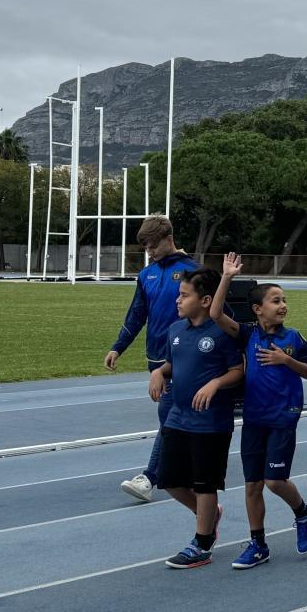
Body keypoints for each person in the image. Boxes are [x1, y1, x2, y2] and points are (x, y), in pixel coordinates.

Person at [209, 253, 307, 569]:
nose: (282, 305)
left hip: (284, 415)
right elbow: (216, 314)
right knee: (252, 485)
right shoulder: (248, 334)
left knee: (274, 481)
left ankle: (302, 511)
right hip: (254, 417)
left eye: (284, 300)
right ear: (258, 310)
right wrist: (226, 277)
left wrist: (287, 361)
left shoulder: (293, 337)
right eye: (275, 301)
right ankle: (257, 544)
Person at [147, 268, 244, 569]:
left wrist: (215, 383)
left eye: (184, 295)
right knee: (169, 479)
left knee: (204, 483)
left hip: (211, 422)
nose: (178, 301)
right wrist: (158, 372)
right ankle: (209, 514)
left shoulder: (221, 333)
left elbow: (238, 370)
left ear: (204, 300)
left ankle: (202, 543)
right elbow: (171, 364)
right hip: (178, 417)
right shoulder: (176, 330)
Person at [106, 216, 201, 503]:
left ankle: (149, 477)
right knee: (175, 416)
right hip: (155, 359)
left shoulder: (192, 271)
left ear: (167, 237)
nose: (148, 250)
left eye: (152, 244)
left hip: (184, 357)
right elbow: (136, 315)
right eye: (145, 246)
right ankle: (188, 463)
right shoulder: (146, 275)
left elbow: (208, 312)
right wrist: (117, 347)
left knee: (169, 415)